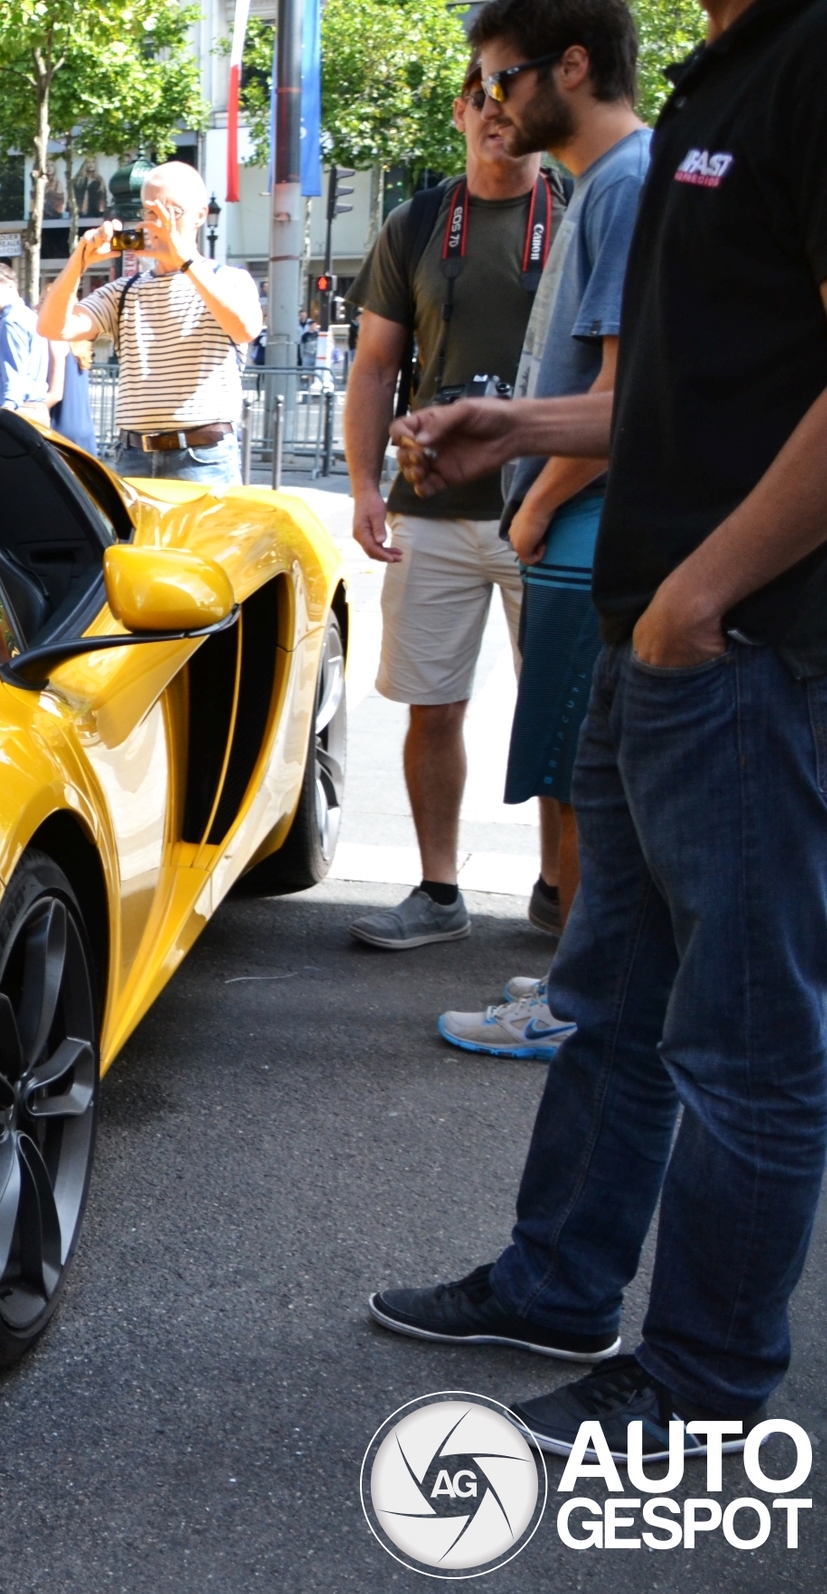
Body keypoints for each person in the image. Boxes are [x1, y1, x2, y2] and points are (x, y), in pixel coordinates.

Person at [369, 0, 827, 1456]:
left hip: (745, 645)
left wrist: (701, 594)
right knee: (609, 1002)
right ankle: (561, 1285)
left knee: (747, 1043)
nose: (493, 100)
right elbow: (687, 401)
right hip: (665, 639)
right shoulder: (726, 81)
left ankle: (700, 1387)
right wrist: (520, 430)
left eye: (506, 78)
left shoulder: (811, 65)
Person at [437, 0, 654, 1061]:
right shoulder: (608, 183)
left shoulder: (620, 186)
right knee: (586, 778)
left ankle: (579, 1005)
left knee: (593, 787)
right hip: (583, 531)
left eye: (499, 79)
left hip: (588, 532)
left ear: (570, 66)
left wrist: (527, 497)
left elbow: (626, 400)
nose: (487, 102)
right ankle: (580, 986)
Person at [341, 62, 563, 952]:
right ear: (464, 112)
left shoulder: (583, 209)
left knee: (559, 709)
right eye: (486, 102)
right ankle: (438, 892)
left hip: (552, 502)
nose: (499, 117)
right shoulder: (420, 221)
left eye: (515, 102)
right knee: (432, 705)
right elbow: (372, 368)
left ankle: (559, 891)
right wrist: (364, 484)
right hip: (432, 508)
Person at [37, 162, 261, 485]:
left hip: (204, 457)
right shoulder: (124, 291)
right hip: (133, 456)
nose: (159, 225)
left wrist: (184, 259)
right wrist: (79, 262)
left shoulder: (229, 280)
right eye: (150, 213)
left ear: (200, 215)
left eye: (172, 213)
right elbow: (52, 328)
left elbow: (245, 328)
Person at [0, 263, 50, 423]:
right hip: (34, 408)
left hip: (18, 410)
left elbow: (14, 368)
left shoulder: (11, 322)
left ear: (10, 286)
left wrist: (8, 407)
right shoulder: (29, 316)